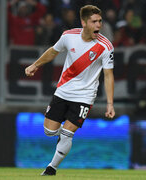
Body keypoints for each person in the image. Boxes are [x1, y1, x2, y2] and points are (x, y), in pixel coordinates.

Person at [25, 5, 115, 176]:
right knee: (49, 131)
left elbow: (108, 75)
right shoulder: (68, 36)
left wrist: (110, 104)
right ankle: (62, 137)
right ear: (84, 22)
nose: (99, 25)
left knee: (67, 133)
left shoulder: (106, 46)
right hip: (63, 91)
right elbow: (53, 52)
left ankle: (52, 168)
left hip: (85, 96)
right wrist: (35, 65)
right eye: (94, 21)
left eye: (100, 21)